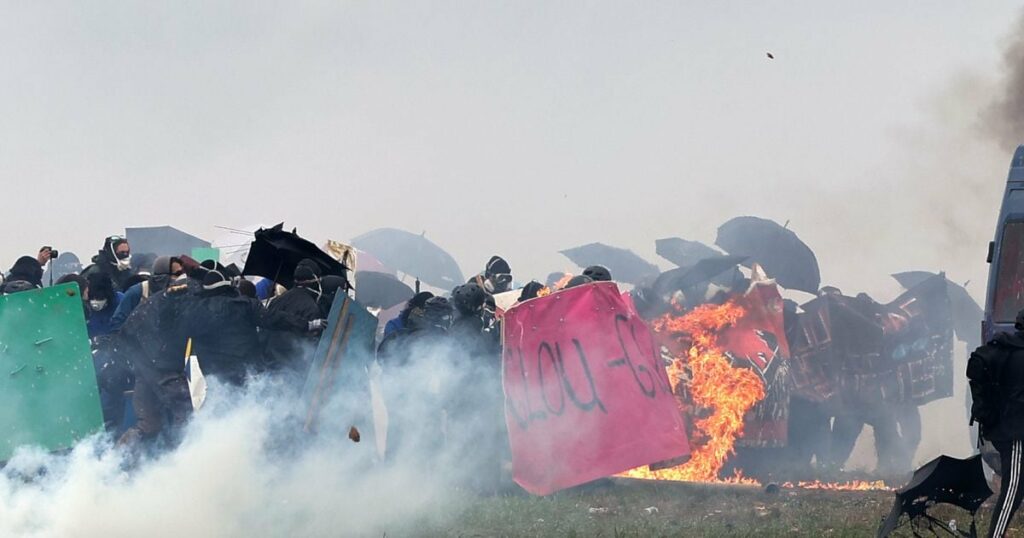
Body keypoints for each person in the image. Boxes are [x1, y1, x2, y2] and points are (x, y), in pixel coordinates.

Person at [967, 309, 1024, 537]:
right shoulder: (1017, 354)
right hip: (1017, 433)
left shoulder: (1006, 349)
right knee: (1013, 488)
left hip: (1006, 429)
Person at [262, 259, 329, 378]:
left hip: (269, 367)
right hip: (293, 371)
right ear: (316, 280)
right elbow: (311, 348)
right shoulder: (311, 308)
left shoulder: (276, 301)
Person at [110, 256, 183, 331]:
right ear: (163, 276)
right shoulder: (137, 292)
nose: (181, 277)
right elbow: (117, 323)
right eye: (177, 274)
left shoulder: (182, 294)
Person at [85, 273, 124, 339]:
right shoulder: (84, 307)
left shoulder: (121, 302)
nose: (95, 303)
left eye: (99, 298)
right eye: (92, 298)